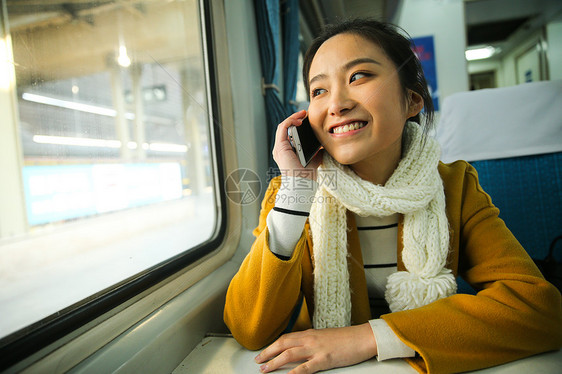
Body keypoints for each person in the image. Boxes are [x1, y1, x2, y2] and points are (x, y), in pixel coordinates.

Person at [223, 18, 562, 374]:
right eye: (318, 91)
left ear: (411, 100)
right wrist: (296, 193)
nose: (335, 104)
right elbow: (248, 328)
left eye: (358, 77)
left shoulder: (454, 185)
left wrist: (366, 338)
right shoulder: (291, 194)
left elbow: (539, 308)